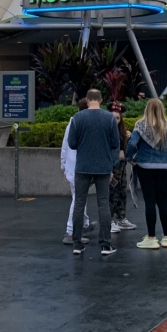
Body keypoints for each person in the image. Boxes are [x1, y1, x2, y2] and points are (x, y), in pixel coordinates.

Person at [125, 98, 167, 249]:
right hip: (163, 167)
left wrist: (129, 158)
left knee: (150, 202)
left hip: (145, 167)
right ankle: (166, 238)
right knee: (163, 202)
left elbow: (132, 143)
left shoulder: (141, 125)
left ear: (147, 109)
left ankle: (151, 238)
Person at [67, 89, 120, 256]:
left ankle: (77, 244)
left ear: (87, 100)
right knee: (103, 203)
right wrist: (112, 165)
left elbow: (72, 144)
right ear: (101, 100)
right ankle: (105, 245)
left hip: (83, 166)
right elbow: (115, 143)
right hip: (103, 166)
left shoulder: (77, 118)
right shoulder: (109, 118)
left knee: (79, 203)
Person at [60, 99, 90, 245]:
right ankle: (71, 231)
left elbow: (65, 146)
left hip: (72, 167)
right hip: (81, 167)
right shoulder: (84, 123)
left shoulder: (72, 122)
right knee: (78, 199)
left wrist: (64, 166)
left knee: (79, 197)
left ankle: (84, 223)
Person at [108, 104, 136, 233]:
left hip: (122, 164)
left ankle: (121, 218)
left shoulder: (121, 132)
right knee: (112, 193)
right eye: (113, 117)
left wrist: (127, 138)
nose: (115, 120)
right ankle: (109, 220)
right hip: (112, 165)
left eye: (118, 118)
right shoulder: (107, 131)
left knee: (122, 191)